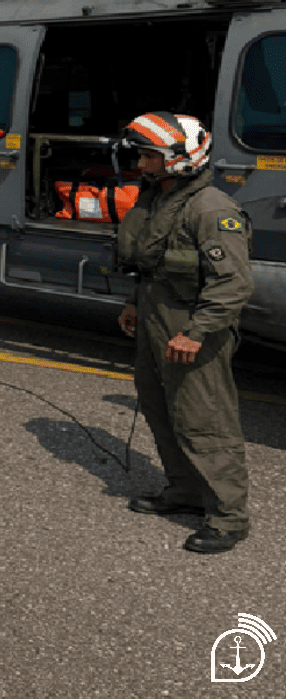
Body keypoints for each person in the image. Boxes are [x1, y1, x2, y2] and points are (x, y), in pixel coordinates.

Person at [115, 112, 254, 554]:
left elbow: (233, 283)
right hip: (156, 317)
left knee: (204, 421)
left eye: (150, 155)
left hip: (193, 325)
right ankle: (186, 492)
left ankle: (228, 516)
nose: (141, 162)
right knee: (159, 408)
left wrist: (196, 332)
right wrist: (135, 303)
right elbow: (151, 261)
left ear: (181, 157)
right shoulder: (157, 198)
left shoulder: (210, 209)